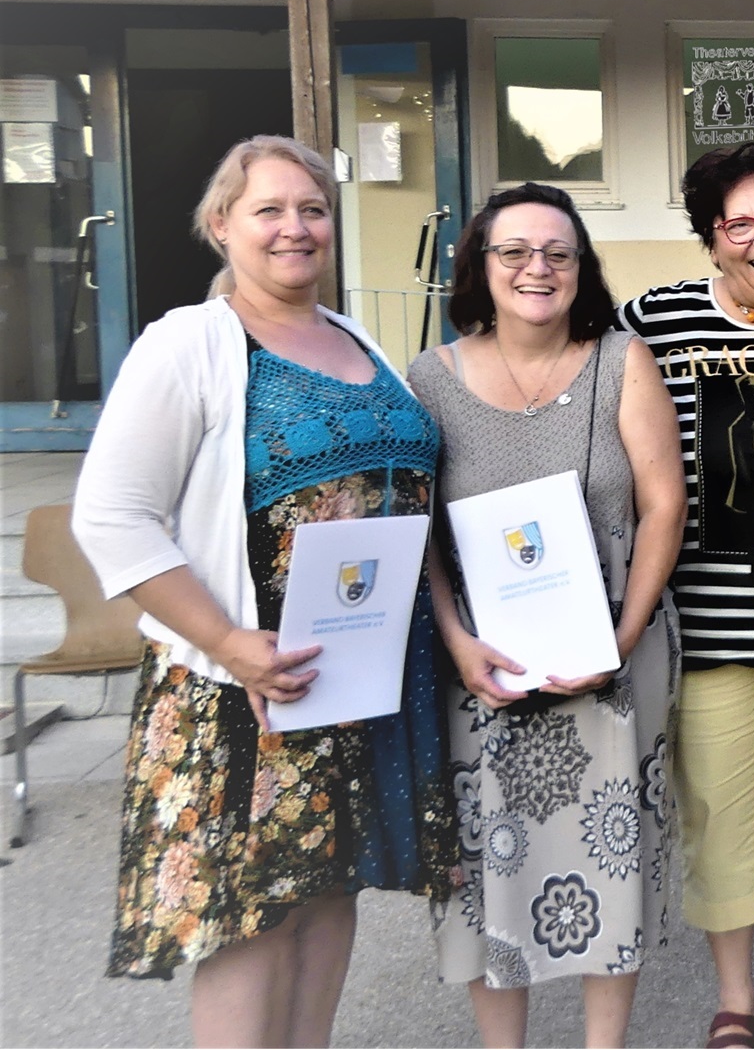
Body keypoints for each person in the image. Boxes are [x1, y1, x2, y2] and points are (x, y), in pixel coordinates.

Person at [72, 135, 456, 1046]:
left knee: (328, 892)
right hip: (246, 683)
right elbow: (113, 518)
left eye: (312, 209)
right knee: (253, 915)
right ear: (222, 225)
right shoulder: (189, 344)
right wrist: (230, 642)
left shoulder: (357, 338)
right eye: (269, 209)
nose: (295, 227)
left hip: (351, 675)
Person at [409, 183, 685, 1049]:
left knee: (613, 854)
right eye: (516, 251)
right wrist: (455, 640)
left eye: (559, 253)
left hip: (615, 655)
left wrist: (621, 638)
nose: (539, 267)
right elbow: (420, 533)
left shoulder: (621, 361)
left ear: (581, 267)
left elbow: (664, 506)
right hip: (481, 666)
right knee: (488, 864)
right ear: (480, 266)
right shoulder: (431, 379)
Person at [614, 141, 754, 1050]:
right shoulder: (659, 319)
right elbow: (569, 359)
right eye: (739, 223)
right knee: (715, 807)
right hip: (705, 625)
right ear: (712, 239)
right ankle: (735, 991)